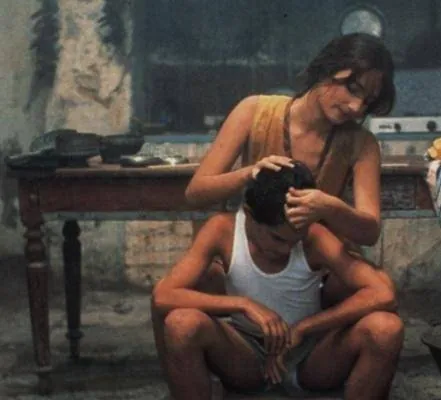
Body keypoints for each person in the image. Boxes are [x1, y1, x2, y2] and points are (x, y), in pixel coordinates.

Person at [151, 163, 403, 400]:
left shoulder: (314, 236)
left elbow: (383, 293)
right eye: (278, 239)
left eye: (296, 240)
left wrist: (305, 328)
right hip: (246, 353)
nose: (286, 249)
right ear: (249, 215)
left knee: (386, 328)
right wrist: (243, 304)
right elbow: (164, 295)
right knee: (182, 324)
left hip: (309, 355)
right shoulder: (222, 230)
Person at [185, 33, 396, 305]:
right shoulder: (254, 111)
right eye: (353, 88)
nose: (356, 107)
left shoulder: (361, 143)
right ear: (328, 68)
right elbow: (195, 193)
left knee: (379, 298)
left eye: (367, 102)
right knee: (191, 291)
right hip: (257, 249)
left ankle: (316, 329)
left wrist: (329, 207)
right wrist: (249, 174)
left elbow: (370, 233)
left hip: (317, 262)